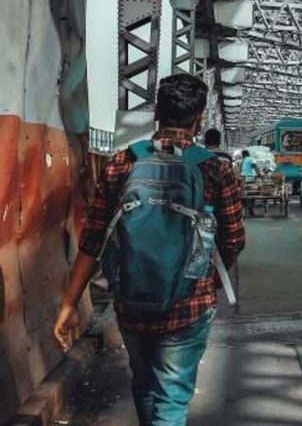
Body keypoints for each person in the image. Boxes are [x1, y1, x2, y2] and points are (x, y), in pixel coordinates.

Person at [53, 74, 245, 426]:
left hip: (131, 300)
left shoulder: (122, 162)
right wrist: (208, 283)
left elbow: (93, 238)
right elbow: (233, 239)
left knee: (143, 382)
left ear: (157, 111)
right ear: (199, 118)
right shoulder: (214, 168)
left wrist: (68, 302)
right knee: (171, 398)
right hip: (189, 305)